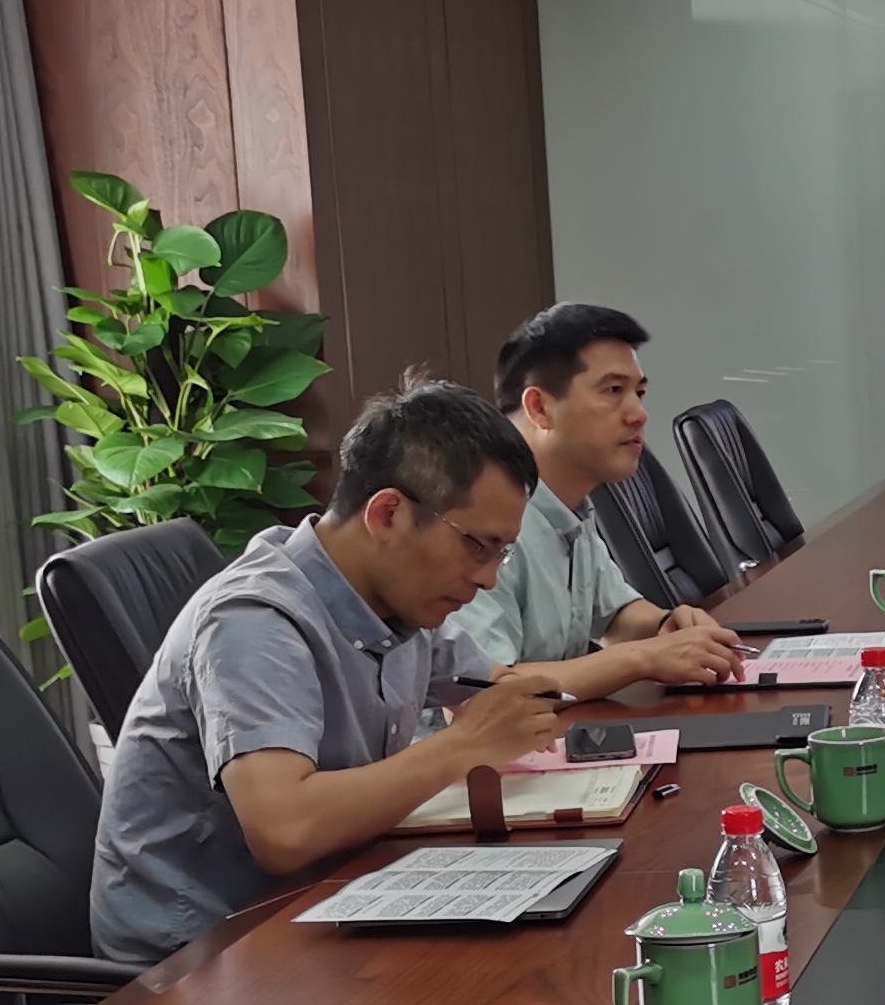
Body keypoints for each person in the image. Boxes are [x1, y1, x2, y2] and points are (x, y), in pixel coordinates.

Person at [89, 377, 575, 965]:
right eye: (479, 546)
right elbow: (285, 830)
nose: (489, 578)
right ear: (389, 513)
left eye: (502, 552)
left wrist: (520, 708)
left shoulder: (398, 600)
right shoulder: (254, 620)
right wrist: (463, 746)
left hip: (325, 899)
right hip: (198, 957)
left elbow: (493, 687)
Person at [454, 303, 746, 695]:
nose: (639, 414)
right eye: (613, 391)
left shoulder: (569, 503)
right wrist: (642, 658)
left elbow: (614, 616)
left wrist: (667, 625)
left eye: (639, 393)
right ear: (540, 408)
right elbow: (483, 689)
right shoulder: (475, 517)